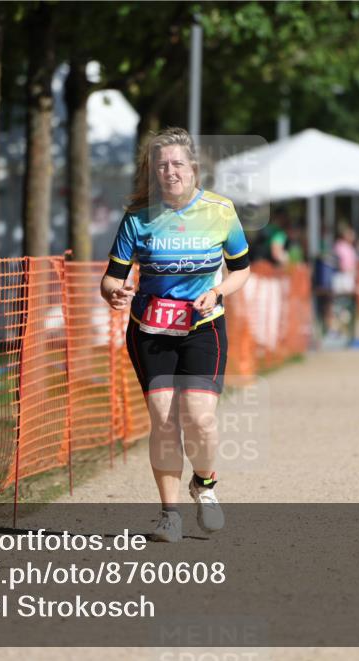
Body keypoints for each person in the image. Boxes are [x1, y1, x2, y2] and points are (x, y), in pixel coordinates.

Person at [100, 127, 251, 543]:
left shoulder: (220, 210)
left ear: (193, 168)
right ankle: (169, 515)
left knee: (200, 419)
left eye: (177, 164)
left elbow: (241, 270)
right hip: (150, 329)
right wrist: (116, 293)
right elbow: (111, 279)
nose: (170, 171)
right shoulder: (138, 218)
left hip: (203, 326)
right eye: (162, 165)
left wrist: (216, 292)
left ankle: (205, 483)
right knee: (164, 419)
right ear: (152, 172)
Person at [332, 226, 359, 343]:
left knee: (347, 306)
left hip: (349, 279)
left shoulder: (351, 248)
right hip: (342, 278)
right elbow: (338, 264)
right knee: (340, 306)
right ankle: (337, 330)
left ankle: (345, 331)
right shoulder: (339, 247)